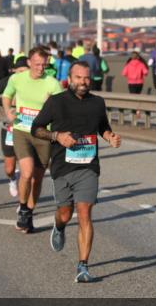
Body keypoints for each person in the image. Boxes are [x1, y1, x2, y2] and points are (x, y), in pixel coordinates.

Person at [32, 62, 122, 283]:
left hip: (88, 167)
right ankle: (60, 226)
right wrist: (57, 137)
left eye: (87, 78)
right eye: (79, 78)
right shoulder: (56, 102)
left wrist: (110, 137)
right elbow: (36, 128)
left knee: (84, 212)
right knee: (65, 212)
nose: (83, 82)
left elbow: (103, 126)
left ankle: (83, 266)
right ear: (69, 78)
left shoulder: (97, 102)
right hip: (63, 166)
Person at [2, 46, 63, 232]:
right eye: (37, 64)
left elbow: (62, 110)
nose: (40, 68)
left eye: (44, 65)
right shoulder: (17, 79)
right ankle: (22, 208)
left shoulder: (52, 83)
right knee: (26, 173)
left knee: (37, 179)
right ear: (29, 62)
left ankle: (29, 211)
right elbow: (6, 95)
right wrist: (8, 113)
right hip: (21, 131)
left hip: (43, 135)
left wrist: (50, 106)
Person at [0, 56, 29, 197]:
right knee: (9, 168)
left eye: (25, 71)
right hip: (9, 129)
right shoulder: (7, 82)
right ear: (14, 71)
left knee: (27, 168)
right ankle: (11, 179)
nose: (22, 74)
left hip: (28, 129)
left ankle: (23, 204)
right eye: (20, 71)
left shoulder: (34, 84)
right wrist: (7, 102)